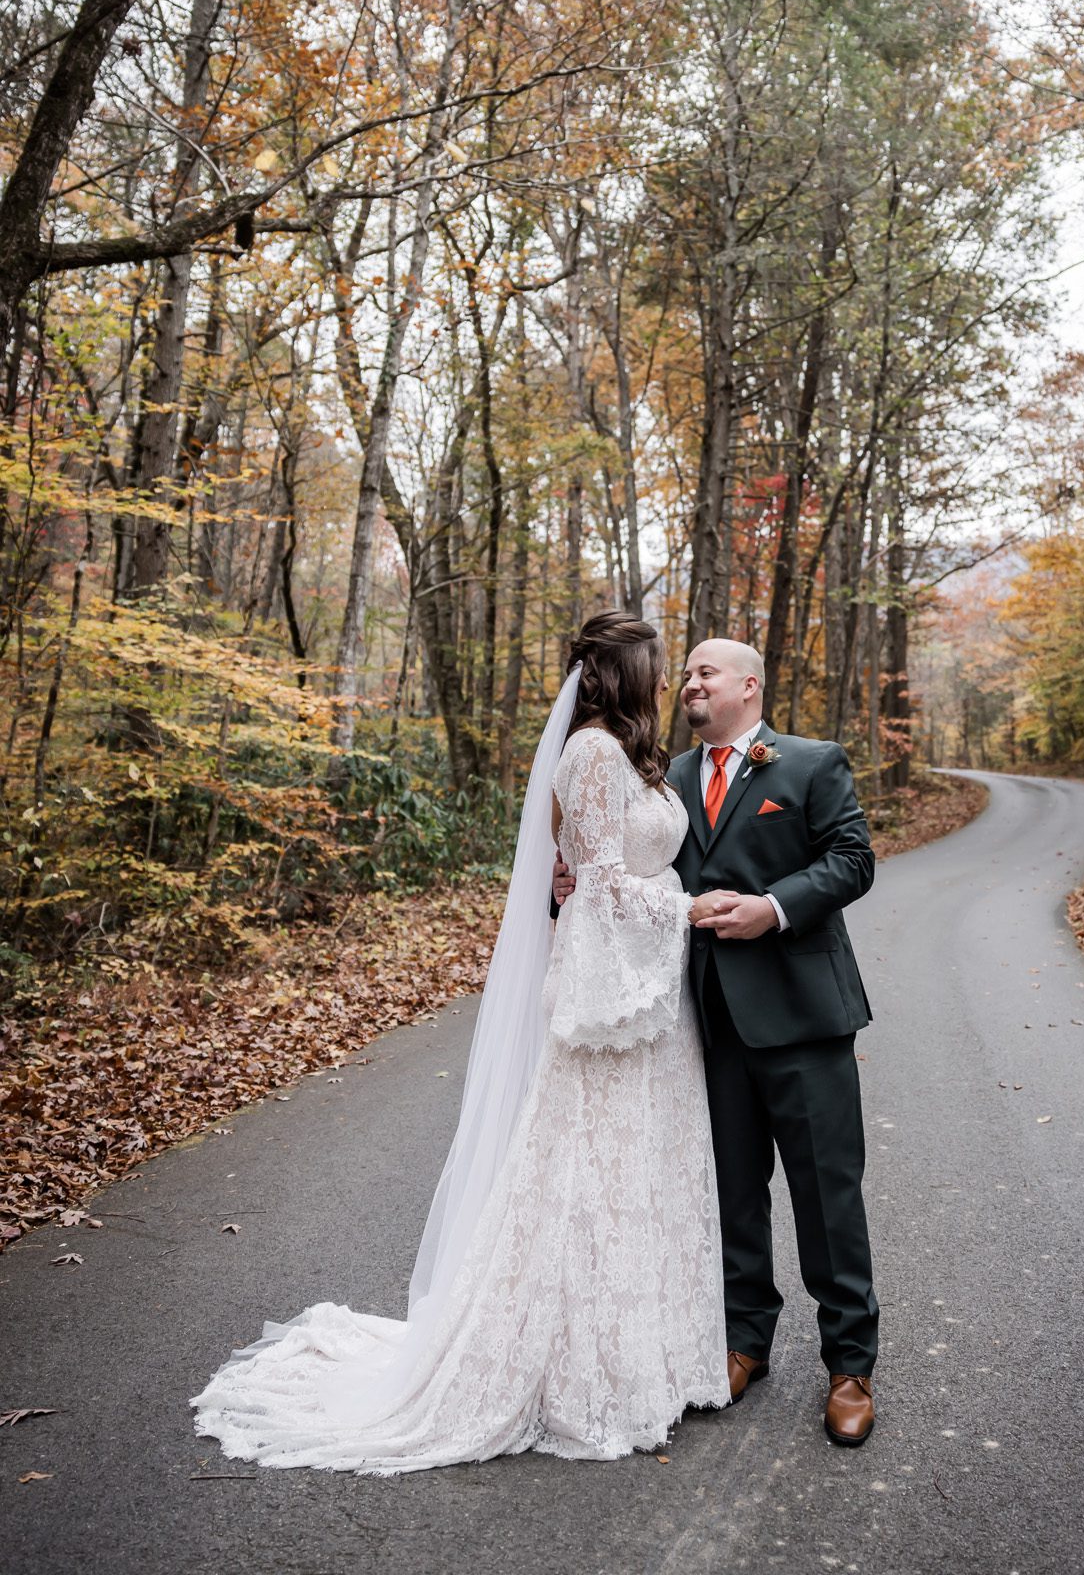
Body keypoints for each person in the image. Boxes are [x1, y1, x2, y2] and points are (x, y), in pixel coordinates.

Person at [191, 613, 731, 1471]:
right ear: (625, 675)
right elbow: (599, 888)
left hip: (650, 1004)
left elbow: (629, 863)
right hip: (609, 1004)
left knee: (639, 1177)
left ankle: (646, 1358)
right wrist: (692, 907)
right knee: (585, 1180)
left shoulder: (632, 756)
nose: (667, 682)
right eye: (657, 669)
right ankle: (570, 1370)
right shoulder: (591, 754)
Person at [555, 636, 879, 1446]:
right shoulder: (661, 773)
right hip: (705, 1020)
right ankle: (743, 1343)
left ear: (748, 685)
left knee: (825, 1196)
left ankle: (850, 1366)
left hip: (804, 1015)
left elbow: (853, 860)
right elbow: (631, 871)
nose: (691, 683)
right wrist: (573, 885)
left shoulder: (810, 762)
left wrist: (773, 907)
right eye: (686, 673)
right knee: (731, 1191)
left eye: (706, 672)